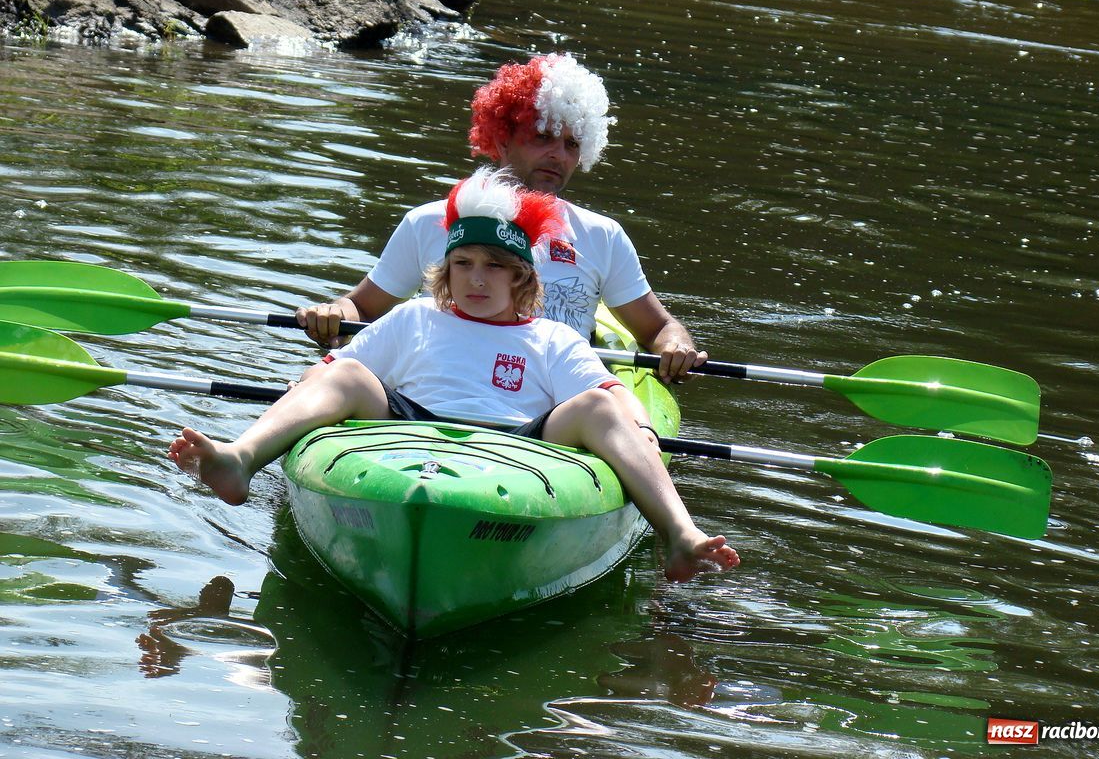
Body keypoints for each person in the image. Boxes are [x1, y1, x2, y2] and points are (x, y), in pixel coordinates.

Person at [170, 169, 739, 583]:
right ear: (445, 272)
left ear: (522, 280)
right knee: (344, 374)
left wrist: (635, 428)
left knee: (600, 405)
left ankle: (680, 534)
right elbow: (327, 371)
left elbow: (613, 400)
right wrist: (318, 384)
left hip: (521, 445)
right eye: (463, 265)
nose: (476, 279)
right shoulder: (414, 316)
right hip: (403, 431)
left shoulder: (553, 339)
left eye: (495, 267)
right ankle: (240, 458)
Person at [296, 52, 707, 383]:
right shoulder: (427, 222)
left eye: (571, 144)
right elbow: (362, 308)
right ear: (503, 137)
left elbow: (656, 330)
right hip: (438, 384)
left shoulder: (603, 236)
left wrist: (675, 345)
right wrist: (333, 314)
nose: (558, 156)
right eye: (542, 137)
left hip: (552, 398)